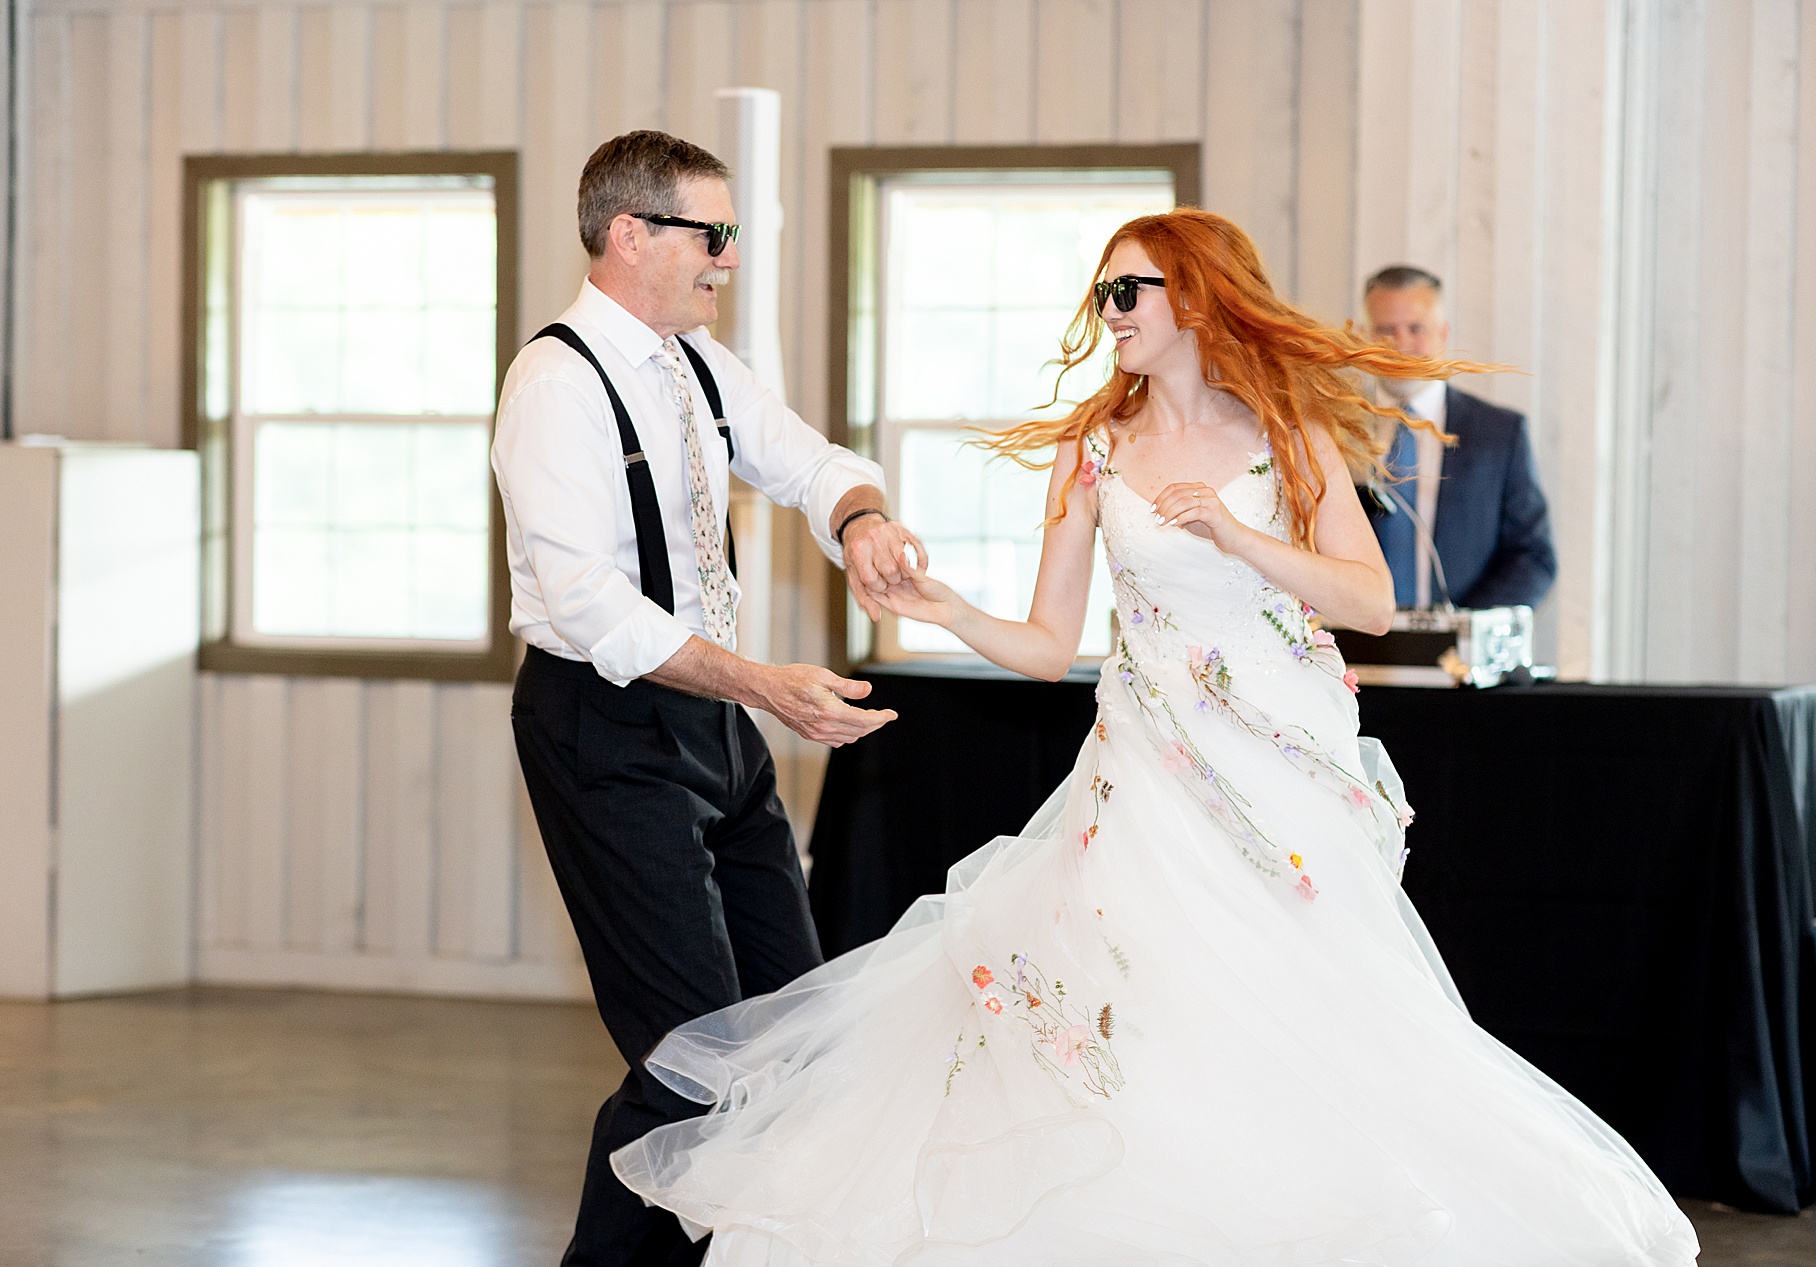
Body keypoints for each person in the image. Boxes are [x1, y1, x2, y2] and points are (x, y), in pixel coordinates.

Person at [610, 210, 1699, 1264]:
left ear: (1195, 297)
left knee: (1298, 1006)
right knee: (1139, 998)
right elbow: (1047, 643)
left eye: (1128, 290)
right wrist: (945, 609)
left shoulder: (1285, 431)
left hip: (1279, 767)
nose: (1110, 310)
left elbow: (1368, 600)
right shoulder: (1093, 447)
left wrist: (1234, 533)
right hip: (1143, 771)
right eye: (1102, 291)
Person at [491, 130, 923, 1267]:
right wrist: (762, 686)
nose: (726, 260)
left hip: (717, 724)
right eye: (712, 235)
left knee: (785, 1031)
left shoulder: (695, 363)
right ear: (630, 234)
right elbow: (590, 605)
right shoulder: (554, 384)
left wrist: (862, 520)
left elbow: (806, 460)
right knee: (695, 1055)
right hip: (605, 728)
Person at [1360, 264, 1557, 609]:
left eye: (1416, 328)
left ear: (1443, 334)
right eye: (1384, 330)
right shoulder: (1331, 429)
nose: (1400, 344)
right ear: (1362, 338)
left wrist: (1467, 631)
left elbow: (1533, 557)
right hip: (1348, 651)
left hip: (1458, 654)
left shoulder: (1500, 434)